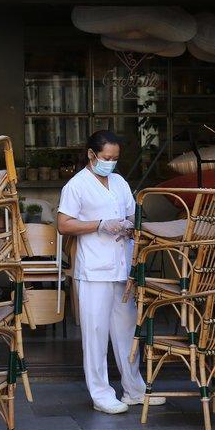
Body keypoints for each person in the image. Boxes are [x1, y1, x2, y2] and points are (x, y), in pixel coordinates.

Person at [57, 130, 165, 414]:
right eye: (106, 157)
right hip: (93, 269)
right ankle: (101, 394)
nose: (111, 163)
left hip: (121, 265)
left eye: (115, 158)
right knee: (95, 334)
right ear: (92, 155)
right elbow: (64, 224)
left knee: (127, 332)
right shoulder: (76, 185)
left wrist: (129, 225)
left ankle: (134, 390)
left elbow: (131, 214)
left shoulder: (119, 182)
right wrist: (99, 224)